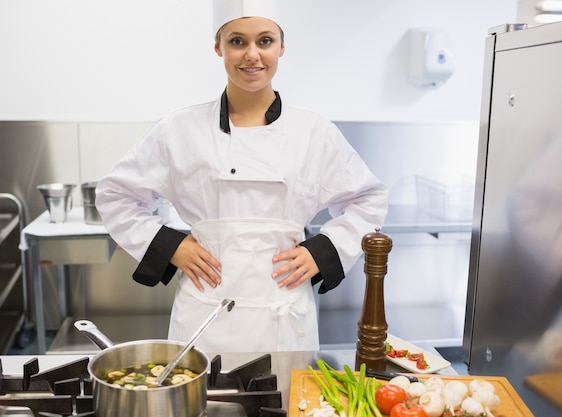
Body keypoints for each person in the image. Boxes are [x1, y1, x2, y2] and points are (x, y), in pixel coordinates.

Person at [95, 0, 388, 353]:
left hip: (284, 312)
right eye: (237, 42)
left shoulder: (313, 132)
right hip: (204, 312)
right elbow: (115, 195)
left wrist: (324, 251)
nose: (252, 55)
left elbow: (368, 198)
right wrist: (170, 245)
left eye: (264, 41)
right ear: (218, 47)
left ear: (281, 47)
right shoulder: (180, 129)